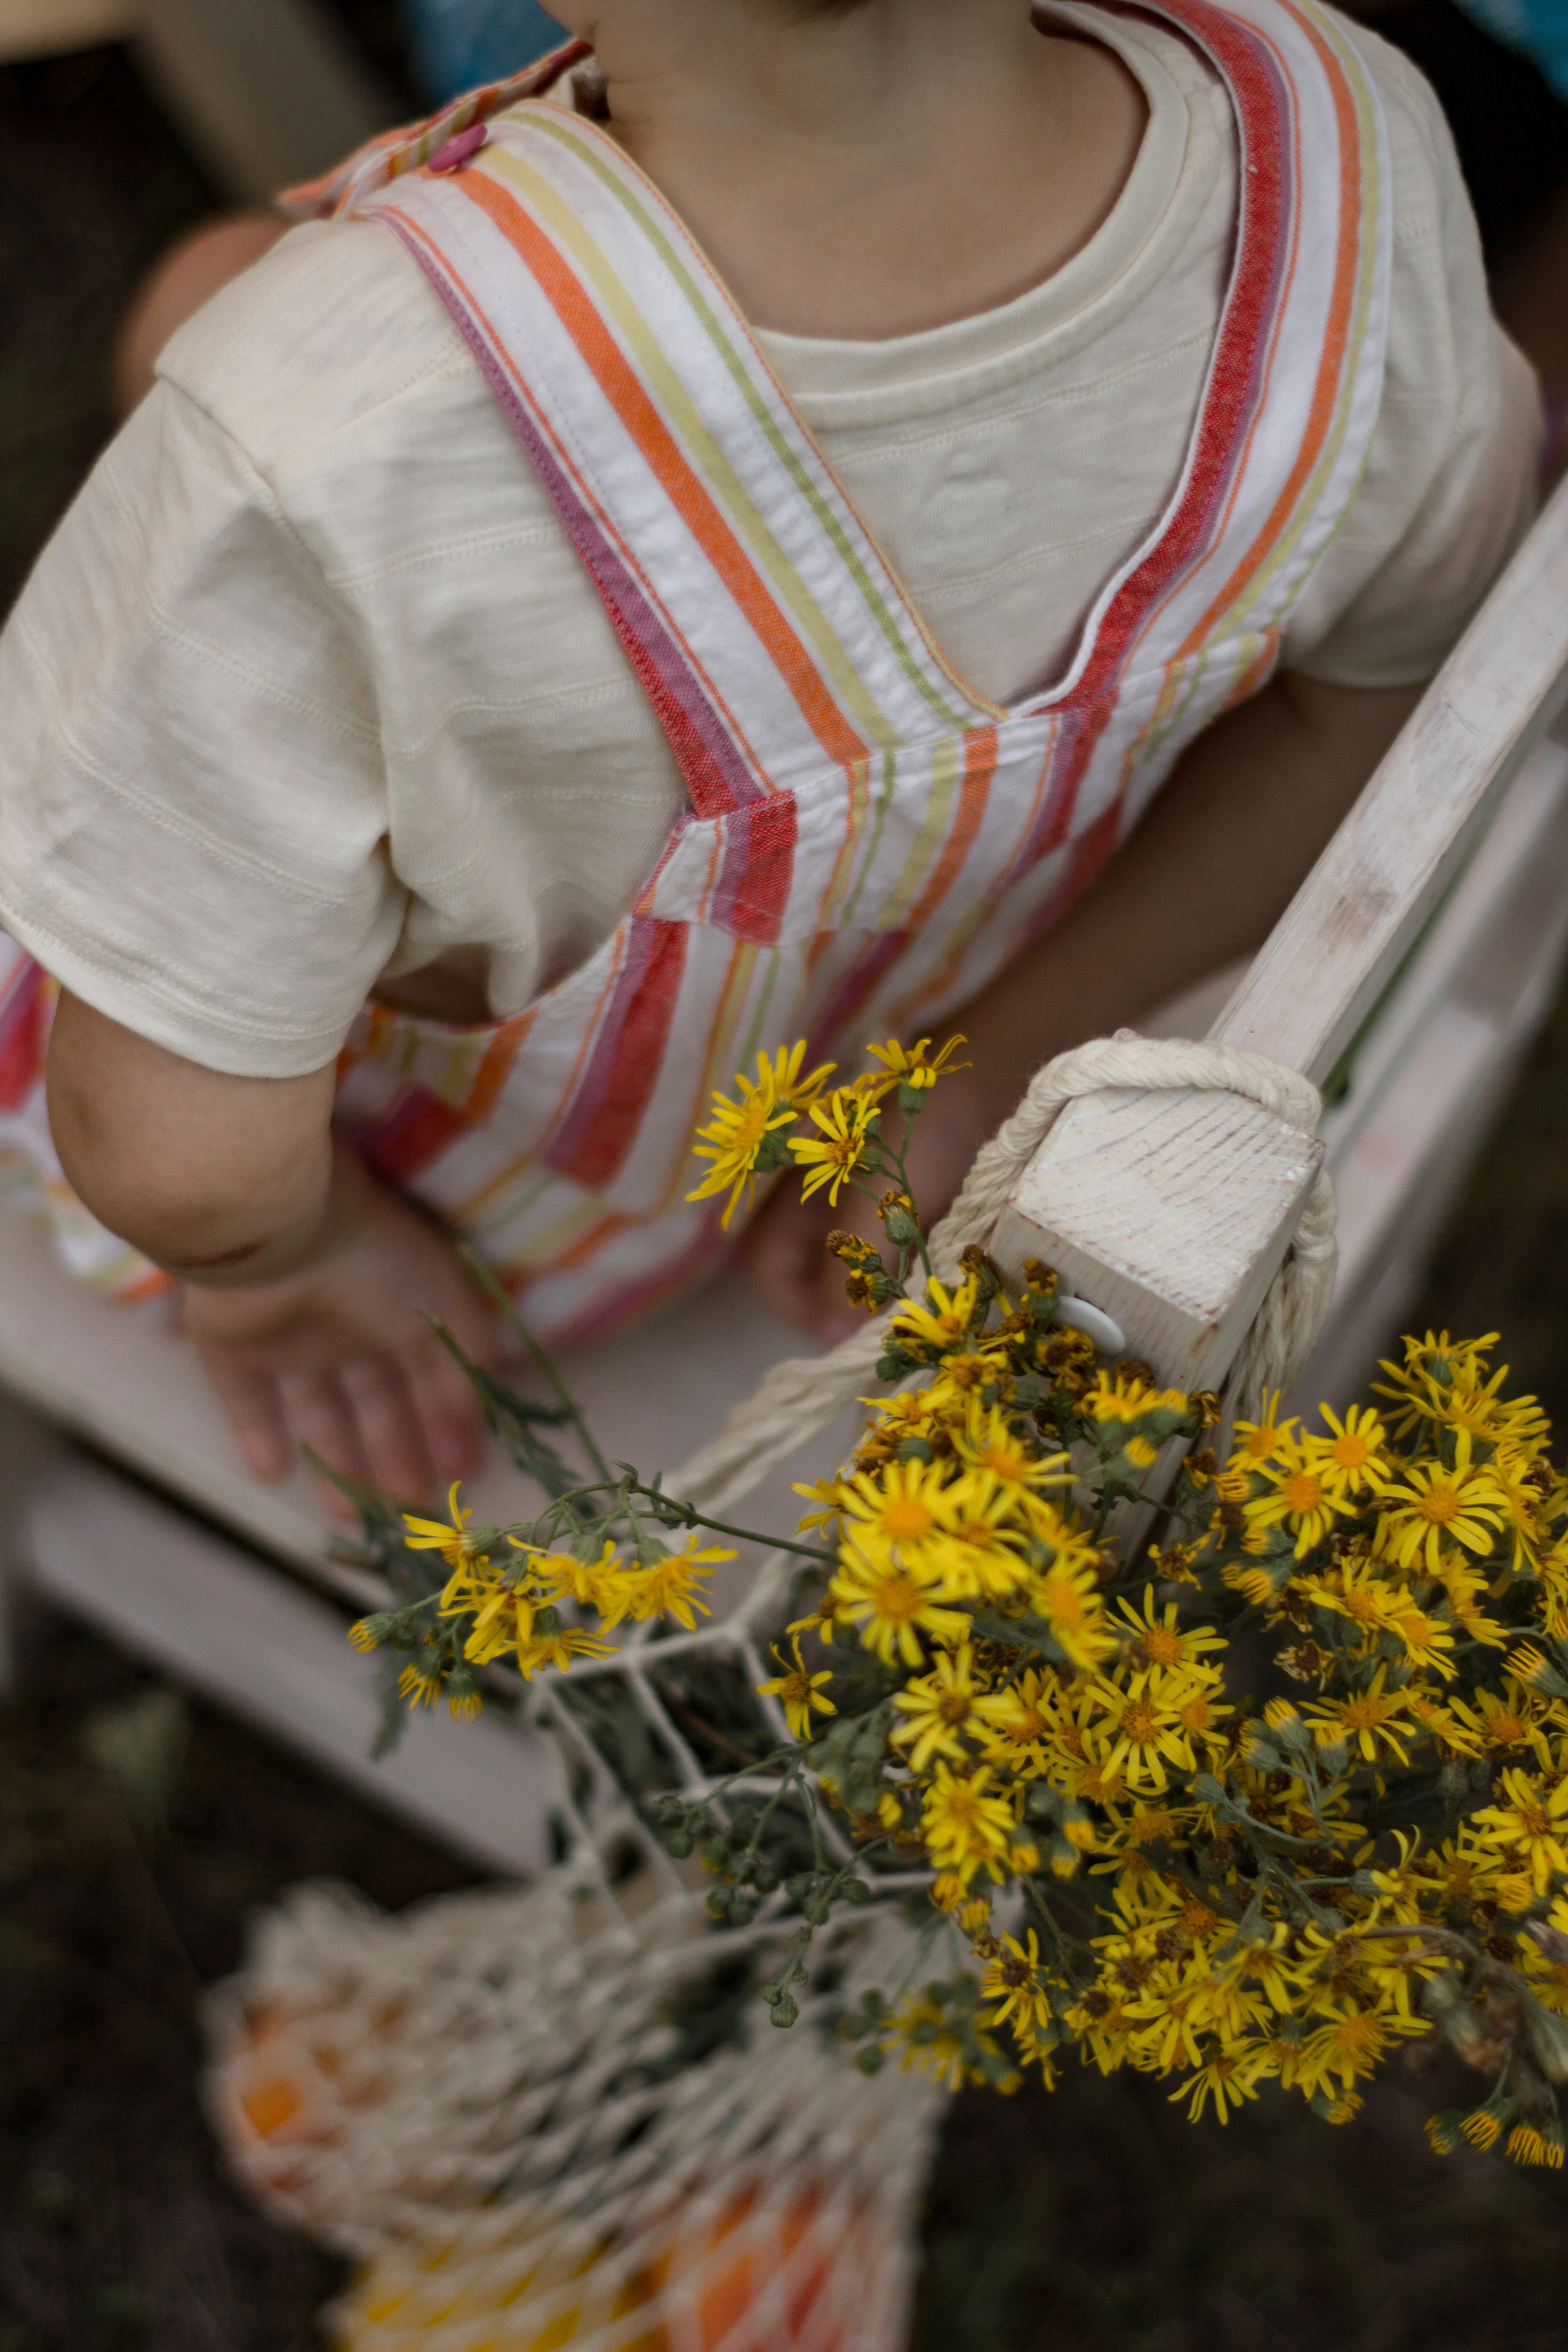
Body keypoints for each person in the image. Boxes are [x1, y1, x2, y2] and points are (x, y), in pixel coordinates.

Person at [0, 0, 1539, 1513]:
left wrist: (296, 1267)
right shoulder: (1343, 145)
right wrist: (980, 1068)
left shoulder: (328, 422)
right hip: (873, 1075)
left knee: (199, 310)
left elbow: (179, 1158)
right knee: (212, 315)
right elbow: (1377, 705)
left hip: (477, 1221)